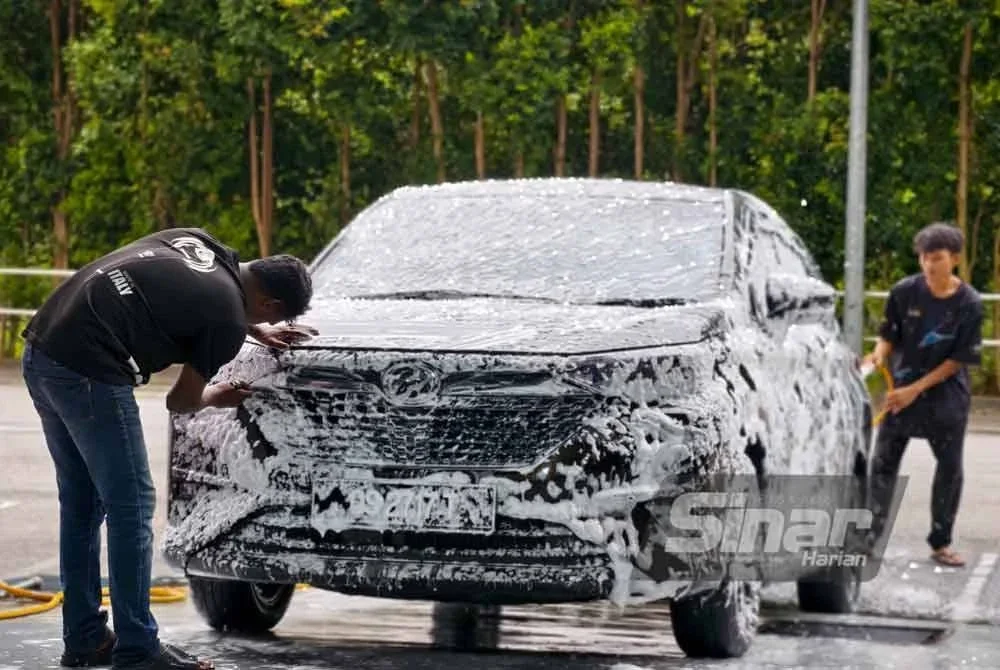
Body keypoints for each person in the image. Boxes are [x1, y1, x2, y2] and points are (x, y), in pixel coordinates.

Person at [20, 228, 315, 669]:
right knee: (132, 506)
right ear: (271, 306)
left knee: (82, 505)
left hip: (43, 348)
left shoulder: (199, 242)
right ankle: (138, 650)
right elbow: (181, 402)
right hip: (89, 370)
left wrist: (252, 328)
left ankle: (84, 640)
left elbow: (181, 291)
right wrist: (220, 392)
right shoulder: (226, 322)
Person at [864, 222, 983, 569]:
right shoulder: (903, 292)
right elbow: (888, 334)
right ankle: (869, 539)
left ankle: (941, 543)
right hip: (899, 395)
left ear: (955, 259)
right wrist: (879, 354)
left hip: (945, 400)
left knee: (949, 470)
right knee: (882, 466)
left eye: (937, 258)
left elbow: (958, 360)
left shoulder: (970, 303)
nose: (929, 265)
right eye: (924, 258)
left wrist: (915, 390)